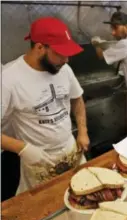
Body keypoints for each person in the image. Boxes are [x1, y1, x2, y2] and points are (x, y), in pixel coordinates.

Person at [1, 17, 89, 194]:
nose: (66, 60)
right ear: (40, 47)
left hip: (71, 149)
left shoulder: (64, 69)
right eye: (60, 53)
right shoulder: (9, 79)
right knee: (44, 210)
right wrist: (23, 148)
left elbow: (77, 99)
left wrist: (83, 131)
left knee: (85, 196)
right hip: (39, 160)